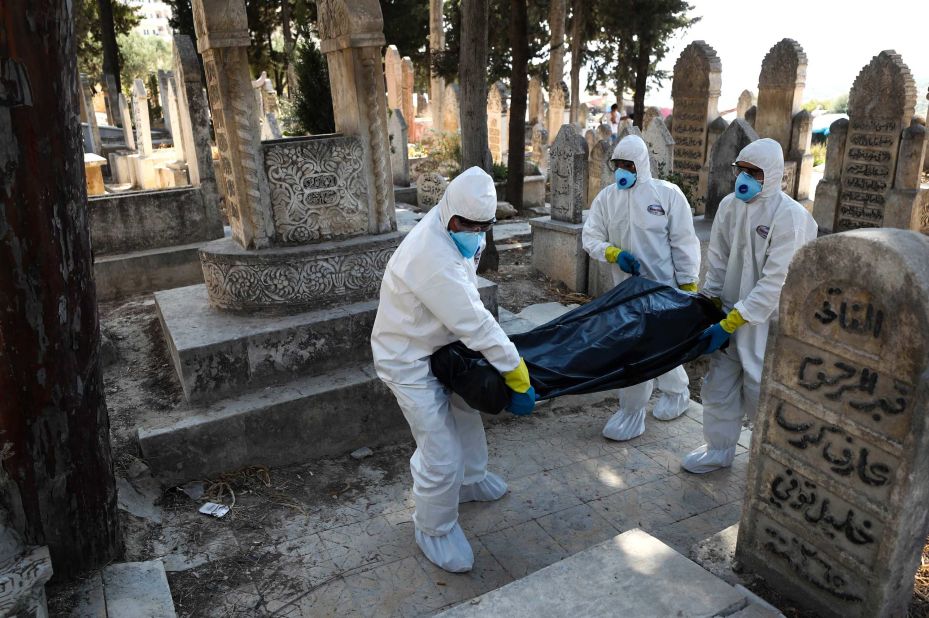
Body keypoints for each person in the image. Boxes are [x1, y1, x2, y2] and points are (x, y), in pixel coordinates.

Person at [370, 167, 536, 573]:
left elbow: (466, 295)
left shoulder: (464, 233)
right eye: (466, 225)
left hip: (441, 344)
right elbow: (474, 319)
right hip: (406, 357)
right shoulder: (431, 255)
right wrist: (516, 372)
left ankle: (472, 479)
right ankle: (433, 527)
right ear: (448, 213)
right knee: (440, 450)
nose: (474, 233)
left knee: (465, 416)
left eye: (483, 227)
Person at [682, 138, 818, 474]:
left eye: (754, 172)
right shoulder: (730, 206)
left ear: (771, 174)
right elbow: (719, 259)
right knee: (720, 385)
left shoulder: (790, 217)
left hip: (766, 321)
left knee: (762, 388)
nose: (744, 178)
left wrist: (735, 320)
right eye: (741, 170)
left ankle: (774, 459)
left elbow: (777, 281)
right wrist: (710, 303)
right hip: (728, 313)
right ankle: (720, 448)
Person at [583, 134, 701, 442]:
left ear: (641, 165)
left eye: (628, 165)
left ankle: (654, 404)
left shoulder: (666, 195)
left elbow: (684, 241)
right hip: (626, 292)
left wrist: (688, 286)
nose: (622, 170)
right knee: (641, 348)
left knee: (651, 348)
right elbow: (591, 236)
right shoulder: (607, 198)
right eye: (617, 164)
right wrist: (613, 254)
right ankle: (655, 402)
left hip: (663, 290)